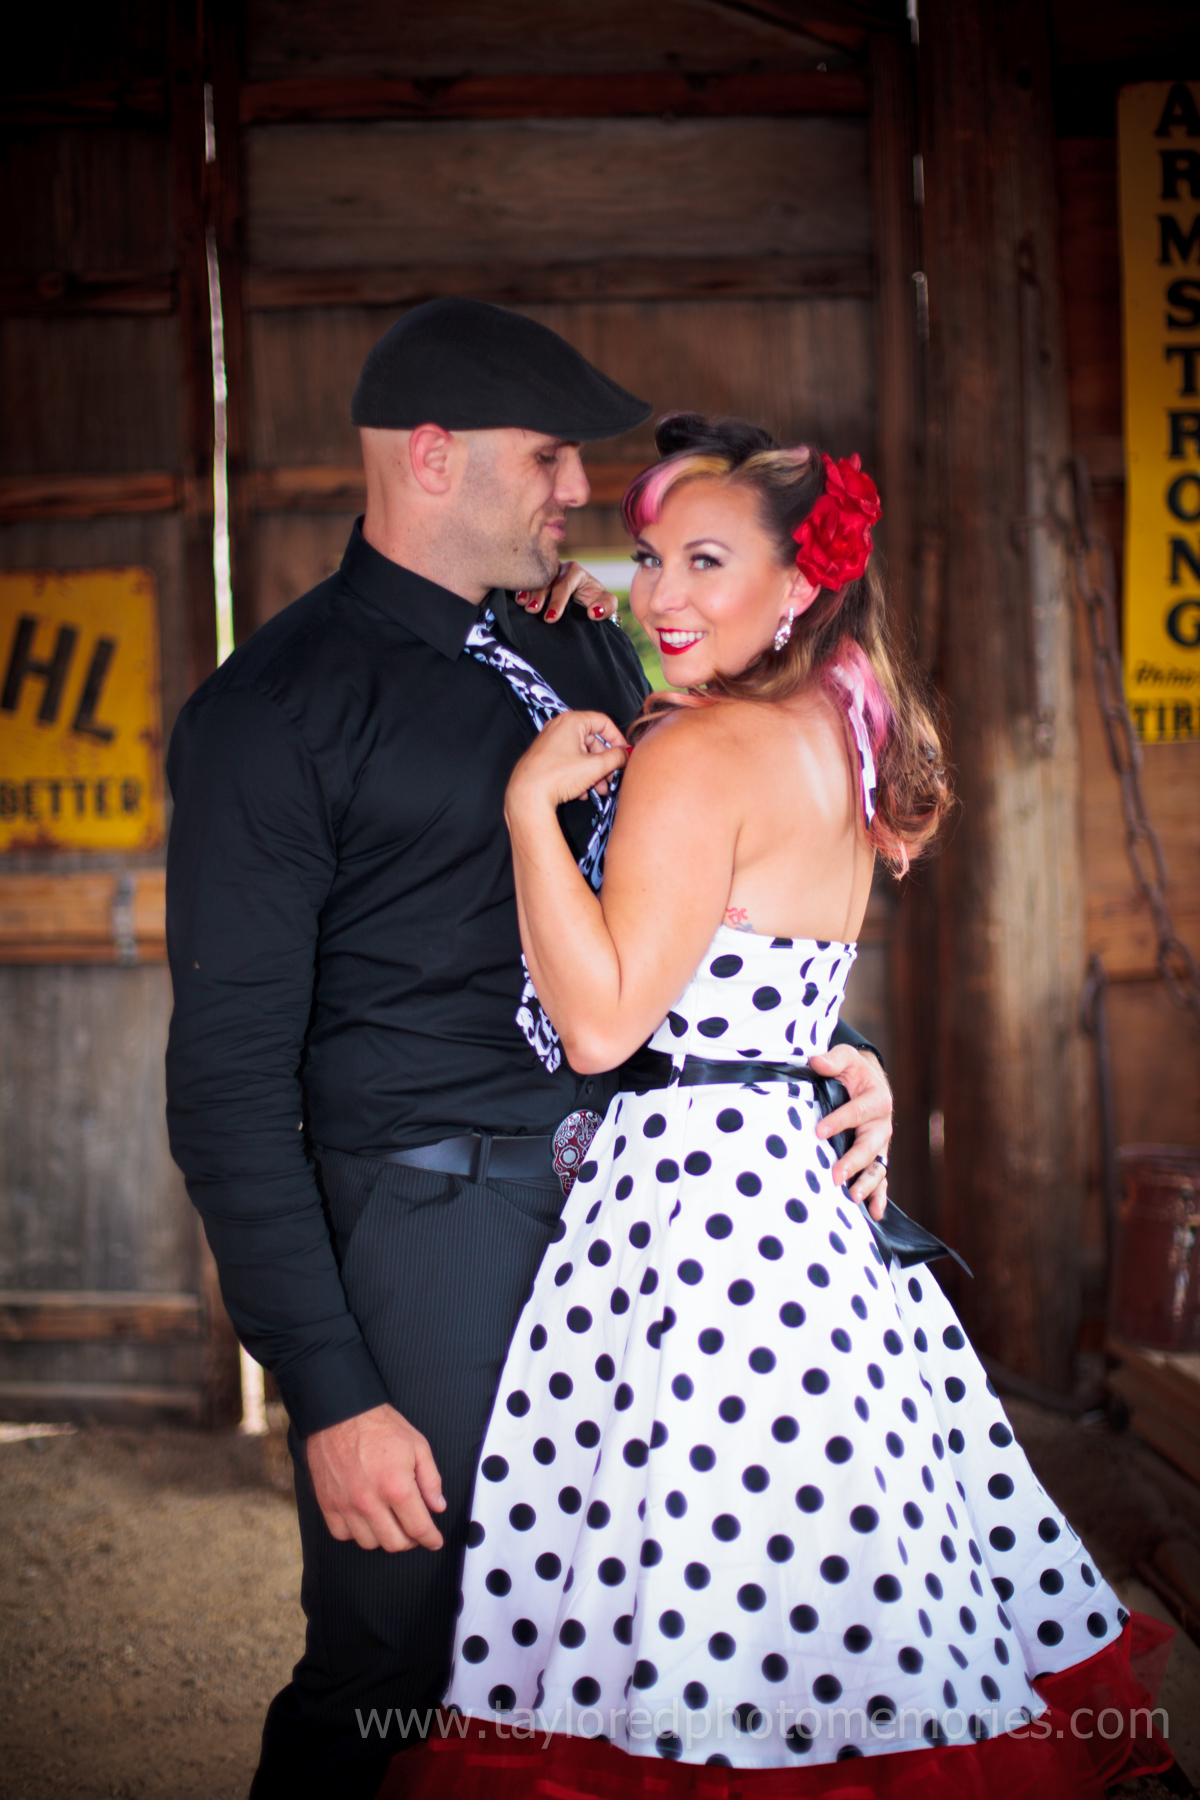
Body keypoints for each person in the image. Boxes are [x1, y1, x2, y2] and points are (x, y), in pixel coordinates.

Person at [163, 309, 895, 1800]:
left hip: (634, 1231)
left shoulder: (578, 639)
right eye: (550, 455)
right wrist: (331, 1389)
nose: (580, 489)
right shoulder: (276, 713)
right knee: (395, 1661)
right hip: (430, 1223)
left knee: (598, 1662)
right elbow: (225, 1091)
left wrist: (820, 1055)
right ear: (435, 457)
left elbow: (691, 902)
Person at [425, 416, 1171, 1796]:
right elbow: (768, 996)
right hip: (804, 1218)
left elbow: (601, 1026)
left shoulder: (701, 753)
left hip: (694, 1229)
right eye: (652, 557)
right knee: (831, 1605)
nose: (661, 595)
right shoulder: (837, 730)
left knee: (692, 1601)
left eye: (707, 561)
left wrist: (530, 814)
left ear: (800, 582)